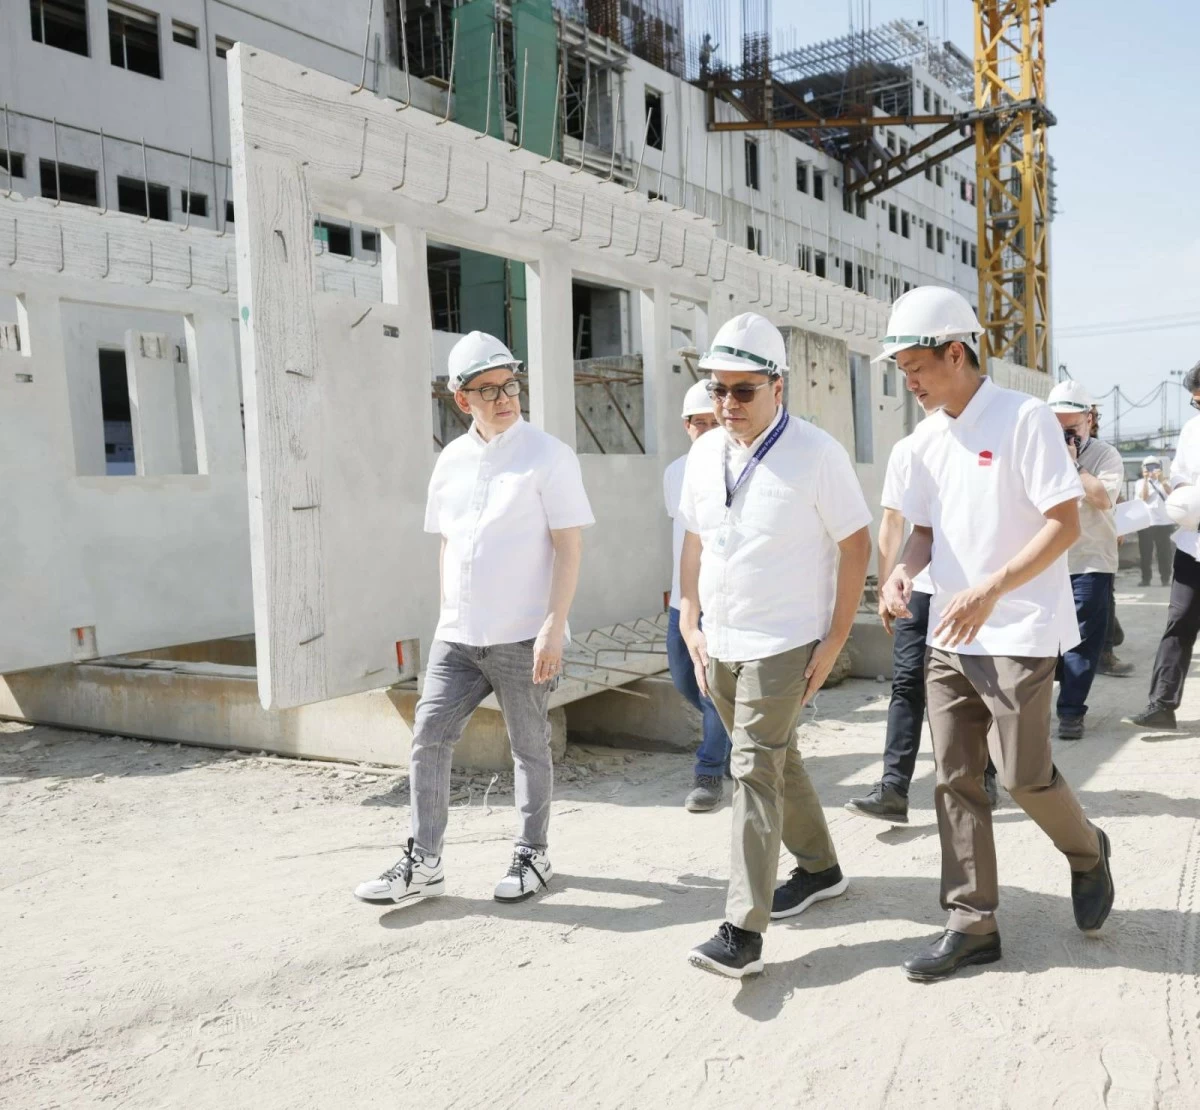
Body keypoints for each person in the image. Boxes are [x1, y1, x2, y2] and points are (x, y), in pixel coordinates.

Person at [878, 286, 1114, 982]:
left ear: (957, 351)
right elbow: (923, 532)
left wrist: (993, 586)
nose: (910, 382)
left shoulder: (1024, 420)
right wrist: (901, 574)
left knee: (1022, 774)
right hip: (952, 634)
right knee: (954, 777)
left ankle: (1087, 851)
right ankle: (971, 922)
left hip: (1017, 628)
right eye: (902, 371)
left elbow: (1063, 523)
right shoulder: (923, 439)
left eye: (917, 366)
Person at [354, 332, 594, 907]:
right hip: (457, 637)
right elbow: (449, 544)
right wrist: (446, 616)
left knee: (529, 747)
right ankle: (424, 862)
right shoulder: (451, 460)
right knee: (427, 739)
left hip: (522, 636)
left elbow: (569, 548)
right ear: (462, 400)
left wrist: (553, 626)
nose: (505, 397)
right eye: (488, 389)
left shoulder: (549, 456)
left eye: (510, 384)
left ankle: (533, 854)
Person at [677, 312, 872, 977]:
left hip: (784, 640)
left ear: (777, 386)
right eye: (716, 390)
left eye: (742, 390)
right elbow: (695, 539)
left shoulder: (817, 453)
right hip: (720, 636)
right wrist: (688, 617)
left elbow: (855, 546)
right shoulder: (704, 454)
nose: (726, 404)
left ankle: (742, 931)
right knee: (771, 759)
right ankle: (819, 868)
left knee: (752, 771)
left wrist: (837, 637)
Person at [846, 433, 998, 822]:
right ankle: (894, 789)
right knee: (906, 683)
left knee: (973, 683)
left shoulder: (986, 439)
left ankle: (984, 772)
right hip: (918, 586)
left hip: (968, 588)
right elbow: (893, 521)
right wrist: (885, 587)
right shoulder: (908, 449)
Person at [664, 380, 730, 812]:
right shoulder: (675, 473)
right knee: (684, 678)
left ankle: (709, 772)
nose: (705, 430)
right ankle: (731, 732)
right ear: (686, 426)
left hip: (721, 599)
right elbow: (684, 538)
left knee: (710, 689)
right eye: (697, 423)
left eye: (712, 422)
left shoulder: (736, 468)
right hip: (683, 601)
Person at [1046, 380, 1125, 740]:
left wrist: (1073, 465)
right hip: (1046, 561)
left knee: (1083, 643)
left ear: (1089, 419)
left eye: (1071, 428)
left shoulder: (1106, 456)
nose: (1064, 436)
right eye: (1056, 427)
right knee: (1046, 642)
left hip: (1091, 562)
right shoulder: (1037, 453)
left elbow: (1102, 498)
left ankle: (1071, 712)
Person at [1129, 360, 1200, 730]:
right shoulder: (1191, 431)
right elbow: (1180, 479)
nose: (1198, 407)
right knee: (1179, 622)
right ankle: (1161, 705)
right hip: (1193, 546)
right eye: (1196, 402)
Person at [1136, 455, 1175, 587]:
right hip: (1146, 523)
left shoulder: (1166, 482)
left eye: (1155, 467)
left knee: (1165, 553)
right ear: (1143, 468)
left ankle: (1165, 578)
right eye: (1149, 467)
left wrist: (1162, 481)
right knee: (1145, 553)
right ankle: (1146, 579)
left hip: (1164, 523)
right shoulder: (1140, 483)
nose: (1152, 470)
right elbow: (1144, 497)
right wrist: (1146, 479)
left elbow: (1173, 496)